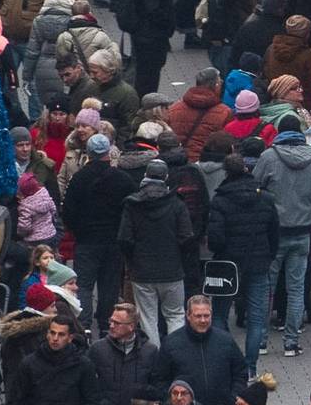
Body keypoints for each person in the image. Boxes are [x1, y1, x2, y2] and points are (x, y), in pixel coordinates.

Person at [253, 127, 311, 358]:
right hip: (302, 233)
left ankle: (260, 342)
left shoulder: (268, 157)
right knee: (296, 289)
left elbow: (254, 188)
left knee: (266, 287)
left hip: (273, 234)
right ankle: (291, 342)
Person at [206, 154, 278, 346]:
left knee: (220, 313)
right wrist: (269, 255)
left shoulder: (220, 200)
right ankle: (251, 366)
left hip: (227, 263)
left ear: (226, 172)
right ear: (246, 169)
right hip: (259, 261)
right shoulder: (265, 198)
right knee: (256, 317)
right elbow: (274, 232)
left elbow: (215, 237)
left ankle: (227, 355)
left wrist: (219, 252)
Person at [64, 133, 140, 312]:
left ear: (88, 152)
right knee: (110, 286)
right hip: (114, 241)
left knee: (83, 285)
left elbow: (68, 211)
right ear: (108, 151)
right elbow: (133, 209)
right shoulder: (122, 179)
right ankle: (107, 325)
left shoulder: (79, 178)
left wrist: (77, 230)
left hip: (86, 240)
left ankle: (84, 324)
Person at [122, 163, 196, 341]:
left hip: (142, 270)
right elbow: (186, 237)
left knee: (148, 318)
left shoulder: (132, 204)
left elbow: (124, 238)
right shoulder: (177, 204)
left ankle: (153, 359)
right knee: (175, 314)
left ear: (146, 176)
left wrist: (132, 261)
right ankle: (177, 355)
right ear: (166, 178)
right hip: (172, 269)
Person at [155, 294, 253, 405]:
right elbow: (159, 379)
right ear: (188, 316)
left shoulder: (225, 341)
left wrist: (232, 398)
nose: (203, 320)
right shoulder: (171, 343)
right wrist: (172, 403)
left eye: (206, 316)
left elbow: (240, 371)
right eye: (198, 316)